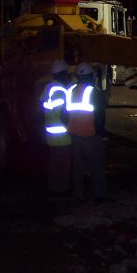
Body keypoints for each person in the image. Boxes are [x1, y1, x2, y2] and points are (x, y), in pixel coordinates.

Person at [68, 62, 108, 201]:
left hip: (75, 135)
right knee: (96, 166)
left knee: (77, 167)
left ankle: (78, 194)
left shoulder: (71, 90)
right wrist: (101, 133)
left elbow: (64, 114)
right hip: (91, 135)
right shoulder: (94, 92)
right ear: (91, 75)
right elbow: (100, 117)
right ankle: (100, 194)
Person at [41, 59, 74, 194]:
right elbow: (63, 114)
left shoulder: (49, 87)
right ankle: (62, 189)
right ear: (62, 73)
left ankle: (53, 187)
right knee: (64, 164)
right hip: (62, 135)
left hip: (51, 134)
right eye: (66, 73)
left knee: (54, 163)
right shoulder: (60, 91)